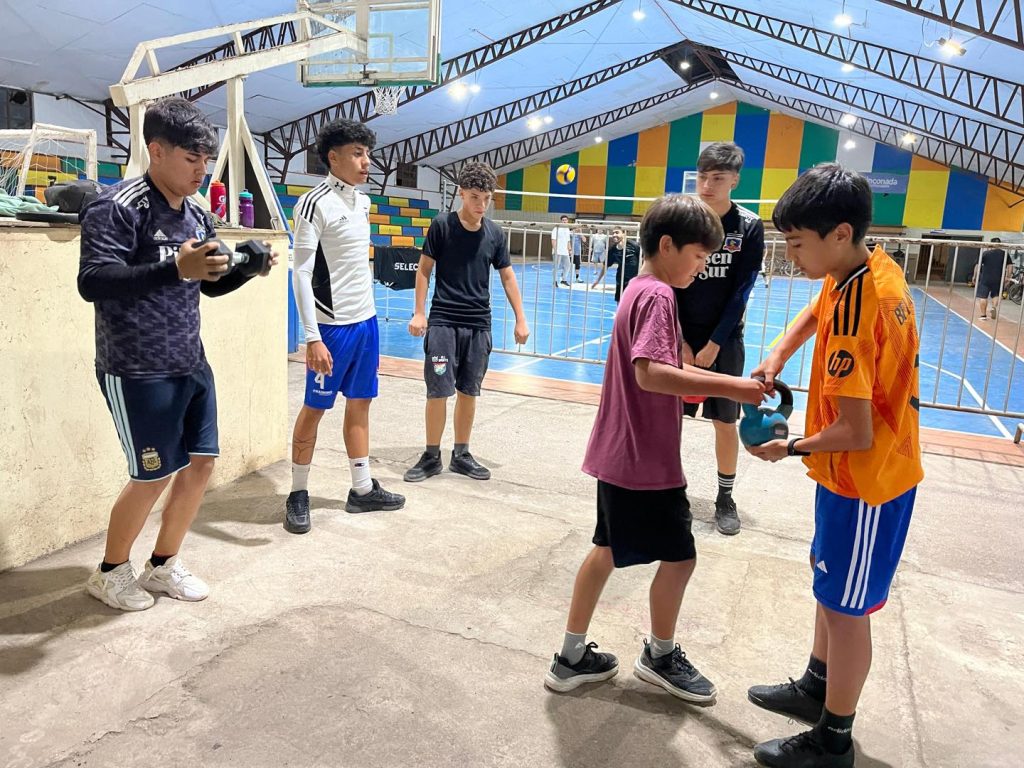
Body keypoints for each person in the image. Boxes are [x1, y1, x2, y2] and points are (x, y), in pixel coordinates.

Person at [543, 195, 765, 700]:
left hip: (620, 450)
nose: (702, 267)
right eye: (699, 256)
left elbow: (658, 369)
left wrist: (708, 383)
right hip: (644, 459)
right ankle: (660, 656)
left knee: (606, 549)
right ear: (667, 246)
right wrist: (733, 386)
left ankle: (571, 656)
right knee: (680, 558)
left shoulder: (638, 289)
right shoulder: (660, 296)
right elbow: (651, 373)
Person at [746, 164, 923, 768]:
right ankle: (817, 686)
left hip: (868, 480)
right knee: (831, 584)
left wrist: (790, 447)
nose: (790, 256)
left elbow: (854, 430)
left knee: (848, 610)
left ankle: (833, 739)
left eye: (798, 244)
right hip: (850, 474)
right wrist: (777, 353)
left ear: (840, 233)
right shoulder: (865, 270)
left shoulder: (859, 310)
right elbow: (818, 308)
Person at [78, 97, 279, 610]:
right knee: (152, 475)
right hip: (136, 367)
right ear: (157, 151)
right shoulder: (117, 206)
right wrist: (173, 269)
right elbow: (93, 281)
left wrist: (246, 269)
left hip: (191, 361)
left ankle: (163, 564)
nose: (201, 170)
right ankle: (109, 572)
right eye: (191, 159)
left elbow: (206, 284)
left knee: (202, 464)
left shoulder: (195, 214)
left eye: (206, 159)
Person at [284, 118, 405, 535]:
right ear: (332, 158)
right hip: (331, 329)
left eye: (367, 153)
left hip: (365, 324)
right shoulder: (313, 203)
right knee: (315, 408)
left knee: (361, 403)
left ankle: (362, 488)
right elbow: (301, 273)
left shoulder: (363, 202)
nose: (366, 161)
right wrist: (312, 338)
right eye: (357, 153)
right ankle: (298, 492)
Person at [404, 162, 530, 482]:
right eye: (475, 197)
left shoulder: (495, 233)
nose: (481, 205)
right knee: (438, 390)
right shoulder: (442, 225)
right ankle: (432, 455)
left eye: (487, 198)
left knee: (469, 390)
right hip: (444, 322)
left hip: (478, 325)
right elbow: (423, 270)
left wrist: (521, 318)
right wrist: (419, 312)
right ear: (461, 193)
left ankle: (461, 454)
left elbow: (507, 276)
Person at [675, 142, 764, 536]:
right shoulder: (684, 219)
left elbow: (742, 290)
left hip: (724, 340)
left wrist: (714, 343)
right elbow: (669, 283)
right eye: (702, 177)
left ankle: (725, 497)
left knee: (725, 422)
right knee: (669, 420)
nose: (707, 185)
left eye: (717, 178)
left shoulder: (749, 226)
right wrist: (679, 340)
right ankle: (668, 490)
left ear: (735, 181)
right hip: (679, 337)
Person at [590, 228, 640, 302]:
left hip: (634, 281)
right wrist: (597, 280)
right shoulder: (613, 250)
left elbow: (644, 260)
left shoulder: (634, 245)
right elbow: (606, 265)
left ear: (624, 234)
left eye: (617, 233)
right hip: (621, 280)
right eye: (613, 233)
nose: (614, 235)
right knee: (620, 302)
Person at [974, 237, 1010, 321]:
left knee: (983, 297)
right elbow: (1010, 265)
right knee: (996, 295)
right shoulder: (1004, 254)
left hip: (986, 278)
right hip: (998, 278)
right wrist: (1008, 276)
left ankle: (983, 315)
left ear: (991, 244)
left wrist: (975, 276)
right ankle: (994, 307)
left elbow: (978, 265)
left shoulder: (986, 253)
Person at [551, 214, 573, 287]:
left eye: (565, 220)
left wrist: (570, 250)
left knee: (568, 265)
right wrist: (555, 250)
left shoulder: (567, 229)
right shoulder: (556, 228)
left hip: (565, 251)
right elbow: (553, 239)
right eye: (563, 220)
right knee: (556, 266)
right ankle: (554, 281)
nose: (564, 221)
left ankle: (564, 279)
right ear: (561, 221)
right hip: (558, 251)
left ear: (567, 221)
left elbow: (568, 241)